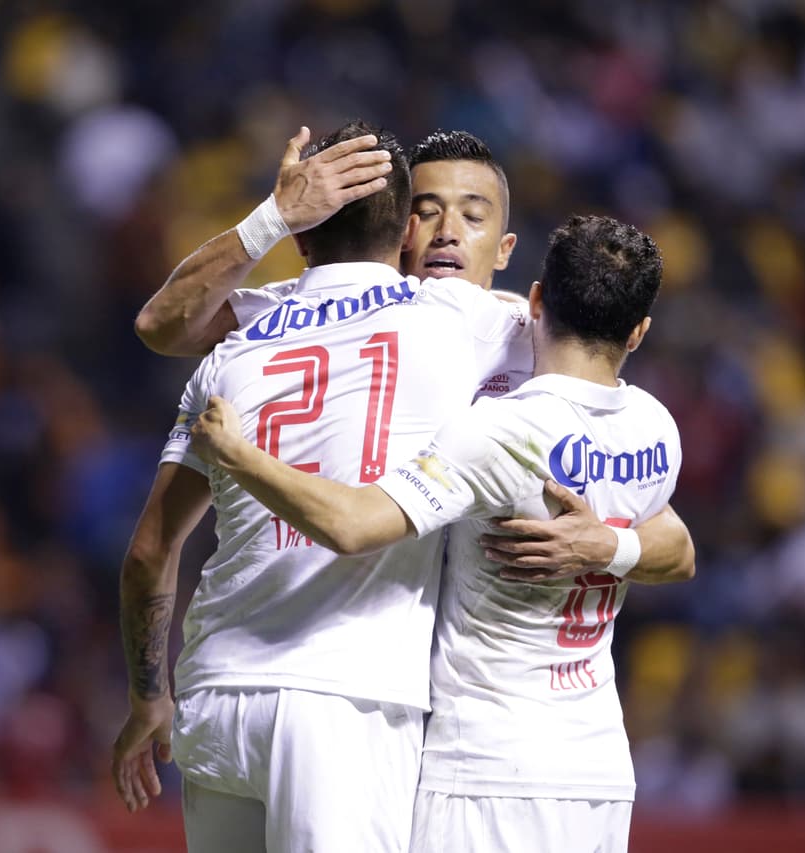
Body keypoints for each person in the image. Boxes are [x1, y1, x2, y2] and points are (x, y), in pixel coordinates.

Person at [189, 214, 688, 853]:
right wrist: (613, 547)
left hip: (485, 768)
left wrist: (240, 456)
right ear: (639, 332)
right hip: (596, 771)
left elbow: (352, 523)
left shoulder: (500, 432)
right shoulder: (656, 429)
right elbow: (680, 548)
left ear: (534, 300)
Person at [114, 119, 540, 852]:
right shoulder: (459, 319)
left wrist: (149, 696)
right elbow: (594, 353)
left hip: (216, 691)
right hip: (345, 698)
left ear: (303, 236)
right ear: (407, 232)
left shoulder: (244, 335)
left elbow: (150, 548)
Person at [132, 126, 693, 588]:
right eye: (426, 213)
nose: (448, 232)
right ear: (399, 229)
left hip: (464, 682)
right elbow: (165, 325)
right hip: (358, 650)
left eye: (473, 217)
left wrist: (612, 545)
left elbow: (669, 536)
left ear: (505, 249)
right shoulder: (310, 311)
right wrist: (274, 218)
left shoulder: (533, 338)